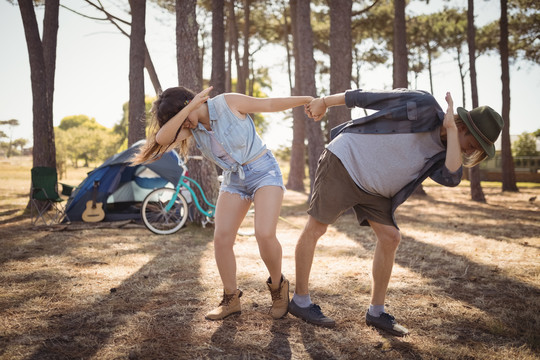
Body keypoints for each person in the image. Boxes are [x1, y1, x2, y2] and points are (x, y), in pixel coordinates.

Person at [288, 88, 504, 336]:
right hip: (345, 162)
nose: (469, 152)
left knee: (391, 237)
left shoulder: (449, 149)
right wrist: (325, 102)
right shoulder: (421, 103)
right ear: (466, 127)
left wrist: (453, 131)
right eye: (472, 145)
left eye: (476, 151)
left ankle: (376, 312)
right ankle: (300, 301)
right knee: (317, 227)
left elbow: (452, 177)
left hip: (376, 192)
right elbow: (365, 97)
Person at [132, 86, 314, 321]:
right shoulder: (191, 127)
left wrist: (306, 98)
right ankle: (231, 299)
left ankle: (278, 288)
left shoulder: (228, 102)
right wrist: (189, 109)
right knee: (221, 238)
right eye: (180, 120)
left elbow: (268, 104)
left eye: (184, 117)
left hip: (263, 171)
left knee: (264, 234)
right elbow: (162, 138)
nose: (184, 124)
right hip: (233, 180)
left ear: (193, 101)